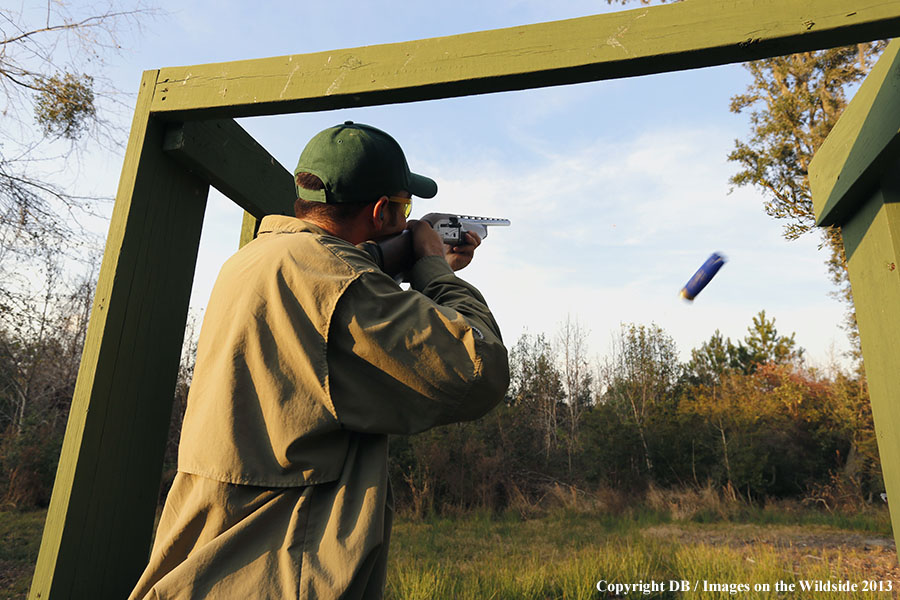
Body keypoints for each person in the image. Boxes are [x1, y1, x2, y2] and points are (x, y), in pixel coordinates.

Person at [129, 121, 509, 599]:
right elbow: (480, 371)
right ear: (379, 210)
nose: (408, 219)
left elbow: (336, 291)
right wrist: (433, 269)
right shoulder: (338, 281)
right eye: (405, 208)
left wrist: (402, 261)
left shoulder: (251, 262)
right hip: (282, 577)